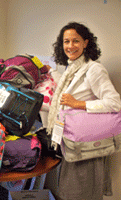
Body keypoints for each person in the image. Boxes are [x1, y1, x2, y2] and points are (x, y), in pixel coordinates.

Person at [46, 22, 121, 200]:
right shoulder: (72, 68)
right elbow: (68, 86)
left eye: (76, 41)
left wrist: (78, 104)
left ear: (86, 43)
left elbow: (115, 103)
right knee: (70, 192)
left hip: (86, 146)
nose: (70, 46)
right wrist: (50, 71)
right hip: (72, 142)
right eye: (66, 41)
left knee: (83, 193)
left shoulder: (94, 69)